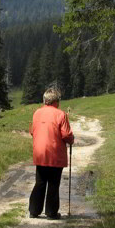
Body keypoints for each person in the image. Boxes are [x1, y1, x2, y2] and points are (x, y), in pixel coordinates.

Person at [29, 88, 74, 219]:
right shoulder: (61, 114)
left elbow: (32, 131)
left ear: (45, 100)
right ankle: (51, 212)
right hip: (55, 154)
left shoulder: (37, 113)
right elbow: (66, 134)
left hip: (40, 152)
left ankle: (34, 211)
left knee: (40, 182)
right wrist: (72, 139)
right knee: (53, 183)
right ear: (56, 101)